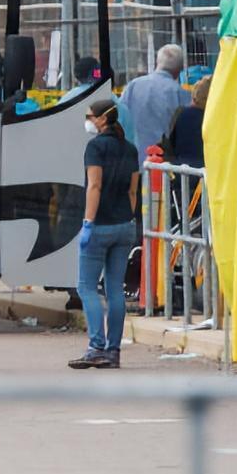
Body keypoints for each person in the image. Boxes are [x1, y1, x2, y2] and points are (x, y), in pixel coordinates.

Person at [68, 99, 139, 370]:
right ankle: (113, 351)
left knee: (86, 287)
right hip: (124, 225)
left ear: (102, 119)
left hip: (99, 226)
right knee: (115, 290)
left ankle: (96, 347)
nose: (87, 121)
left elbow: (94, 186)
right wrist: (128, 217)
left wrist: (88, 222)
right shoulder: (130, 148)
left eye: (90, 116)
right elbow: (133, 191)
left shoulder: (95, 147)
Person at [119, 43, 190, 168]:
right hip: (163, 164)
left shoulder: (133, 85)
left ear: (157, 62)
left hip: (132, 160)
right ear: (179, 69)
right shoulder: (179, 93)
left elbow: (120, 117)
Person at [164, 75, 209, 170]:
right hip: (206, 170)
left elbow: (170, 142)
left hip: (180, 168)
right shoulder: (212, 119)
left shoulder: (180, 113)